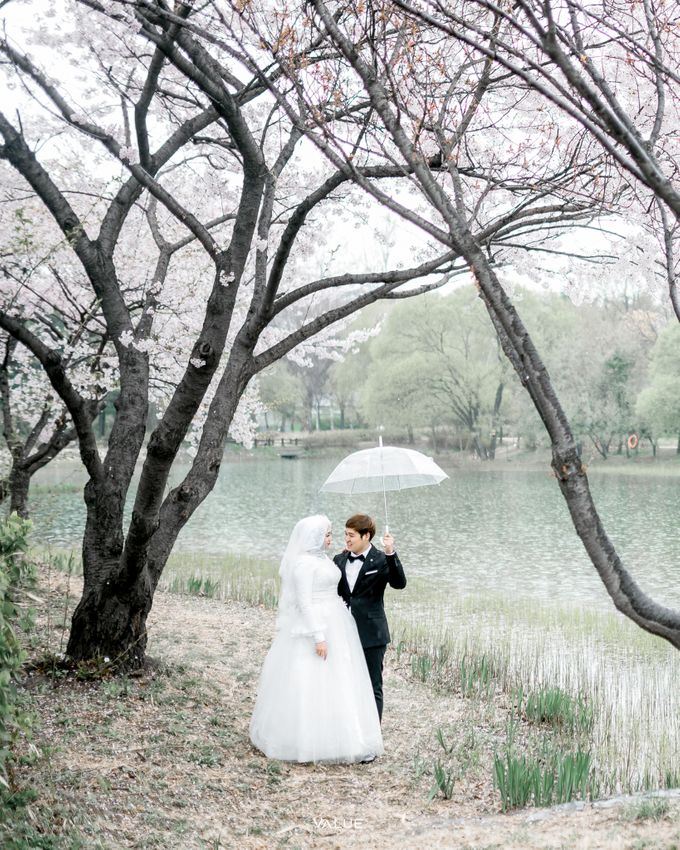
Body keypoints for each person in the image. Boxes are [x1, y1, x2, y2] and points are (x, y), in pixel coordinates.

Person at [249, 515, 384, 764]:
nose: (332, 539)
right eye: (328, 534)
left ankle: (346, 734)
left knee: (341, 678)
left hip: (338, 623)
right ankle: (307, 740)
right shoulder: (302, 565)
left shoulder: (324, 559)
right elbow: (304, 603)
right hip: (317, 626)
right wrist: (319, 636)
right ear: (314, 537)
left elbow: (336, 578)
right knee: (311, 680)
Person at [335, 514, 407, 722]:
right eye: (345, 534)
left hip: (371, 635)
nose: (347, 539)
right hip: (343, 631)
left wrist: (390, 551)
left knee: (372, 686)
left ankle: (371, 740)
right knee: (347, 683)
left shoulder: (382, 559)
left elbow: (399, 583)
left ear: (366, 536)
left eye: (351, 535)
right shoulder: (339, 559)